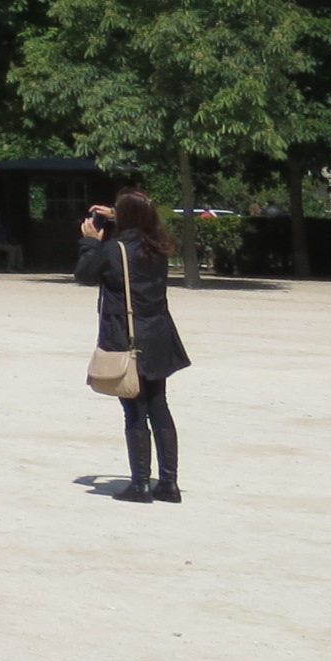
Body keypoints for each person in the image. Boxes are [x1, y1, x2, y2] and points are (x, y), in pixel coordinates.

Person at [78, 191, 190, 502]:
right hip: (158, 334)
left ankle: (140, 484)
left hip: (128, 336)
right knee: (159, 406)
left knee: (134, 409)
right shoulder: (157, 246)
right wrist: (122, 215)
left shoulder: (114, 250)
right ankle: (168, 483)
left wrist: (90, 241)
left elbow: (84, 274)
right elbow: (141, 225)